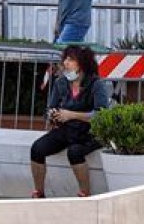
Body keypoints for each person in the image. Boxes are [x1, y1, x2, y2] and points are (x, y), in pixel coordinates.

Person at [30, 45, 109, 198]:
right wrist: (52, 115)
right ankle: (39, 192)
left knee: (75, 152)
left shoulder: (96, 84)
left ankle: (85, 194)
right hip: (67, 129)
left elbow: (101, 115)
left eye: (71, 59)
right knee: (37, 148)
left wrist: (72, 115)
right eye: (65, 59)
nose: (66, 63)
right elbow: (50, 108)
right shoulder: (61, 83)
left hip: (90, 132)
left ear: (82, 63)